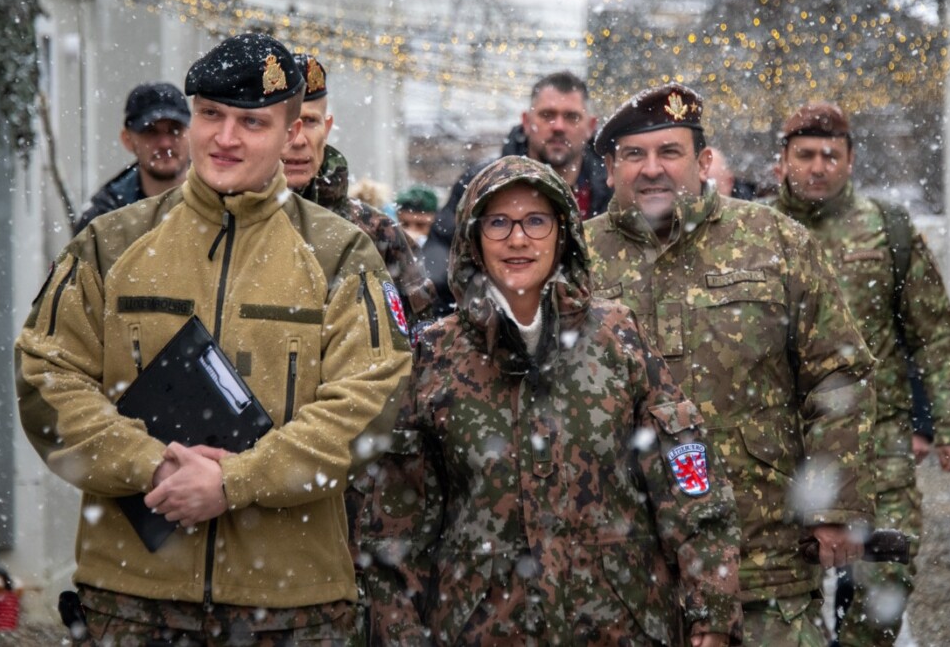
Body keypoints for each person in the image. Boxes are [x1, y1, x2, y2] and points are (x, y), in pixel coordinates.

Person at [15, 32, 412, 645]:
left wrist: (237, 481)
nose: (225, 139)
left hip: (291, 606)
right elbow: (47, 377)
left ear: (291, 135)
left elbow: (369, 406)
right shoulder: (111, 243)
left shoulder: (340, 255)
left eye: (252, 123)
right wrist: (151, 464)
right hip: (132, 598)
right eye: (211, 116)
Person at [363, 155, 743, 645]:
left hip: (620, 624)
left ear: (563, 234)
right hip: (482, 628)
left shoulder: (617, 337)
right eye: (498, 222)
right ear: (473, 237)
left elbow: (692, 491)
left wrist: (711, 615)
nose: (518, 239)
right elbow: (397, 524)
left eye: (536, 221)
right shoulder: (436, 354)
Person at [584, 83, 877, 647]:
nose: (651, 170)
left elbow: (839, 375)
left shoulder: (775, 242)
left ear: (703, 161)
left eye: (669, 152)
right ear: (610, 166)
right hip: (620, 567)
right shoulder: (574, 257)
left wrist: (834, 501)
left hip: (762, 559)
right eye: (633, 155)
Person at [769, 102, 950, 647]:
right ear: (783, 161)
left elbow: (932, 329)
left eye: (831, 155)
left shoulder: (888, 229)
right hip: (786, 444)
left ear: (851, 159)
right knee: (785, 586)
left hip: (878, 440)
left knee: (888, 575)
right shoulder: (758, 233)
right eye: (805, 155)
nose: (818, 167)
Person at [422, 71, 610, 315]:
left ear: (590, 126)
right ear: (526, 121)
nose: (558, 127)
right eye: (547, 115)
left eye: (571, 116)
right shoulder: (479, 185)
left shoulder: (612, 190)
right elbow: (435, 272)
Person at [284, 54, 436, 330]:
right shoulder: (232, 222)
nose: (299, 139)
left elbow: (416, 347)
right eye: (288, 122)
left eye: (310, 121)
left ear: (327, 128)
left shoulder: (379, 233)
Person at [74, 82, 191, 233]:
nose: (165, 143)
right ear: (127, 140)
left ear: (191, 134)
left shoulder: (222, 202)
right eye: (151, 132)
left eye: (174, 130)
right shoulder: (102, 223)